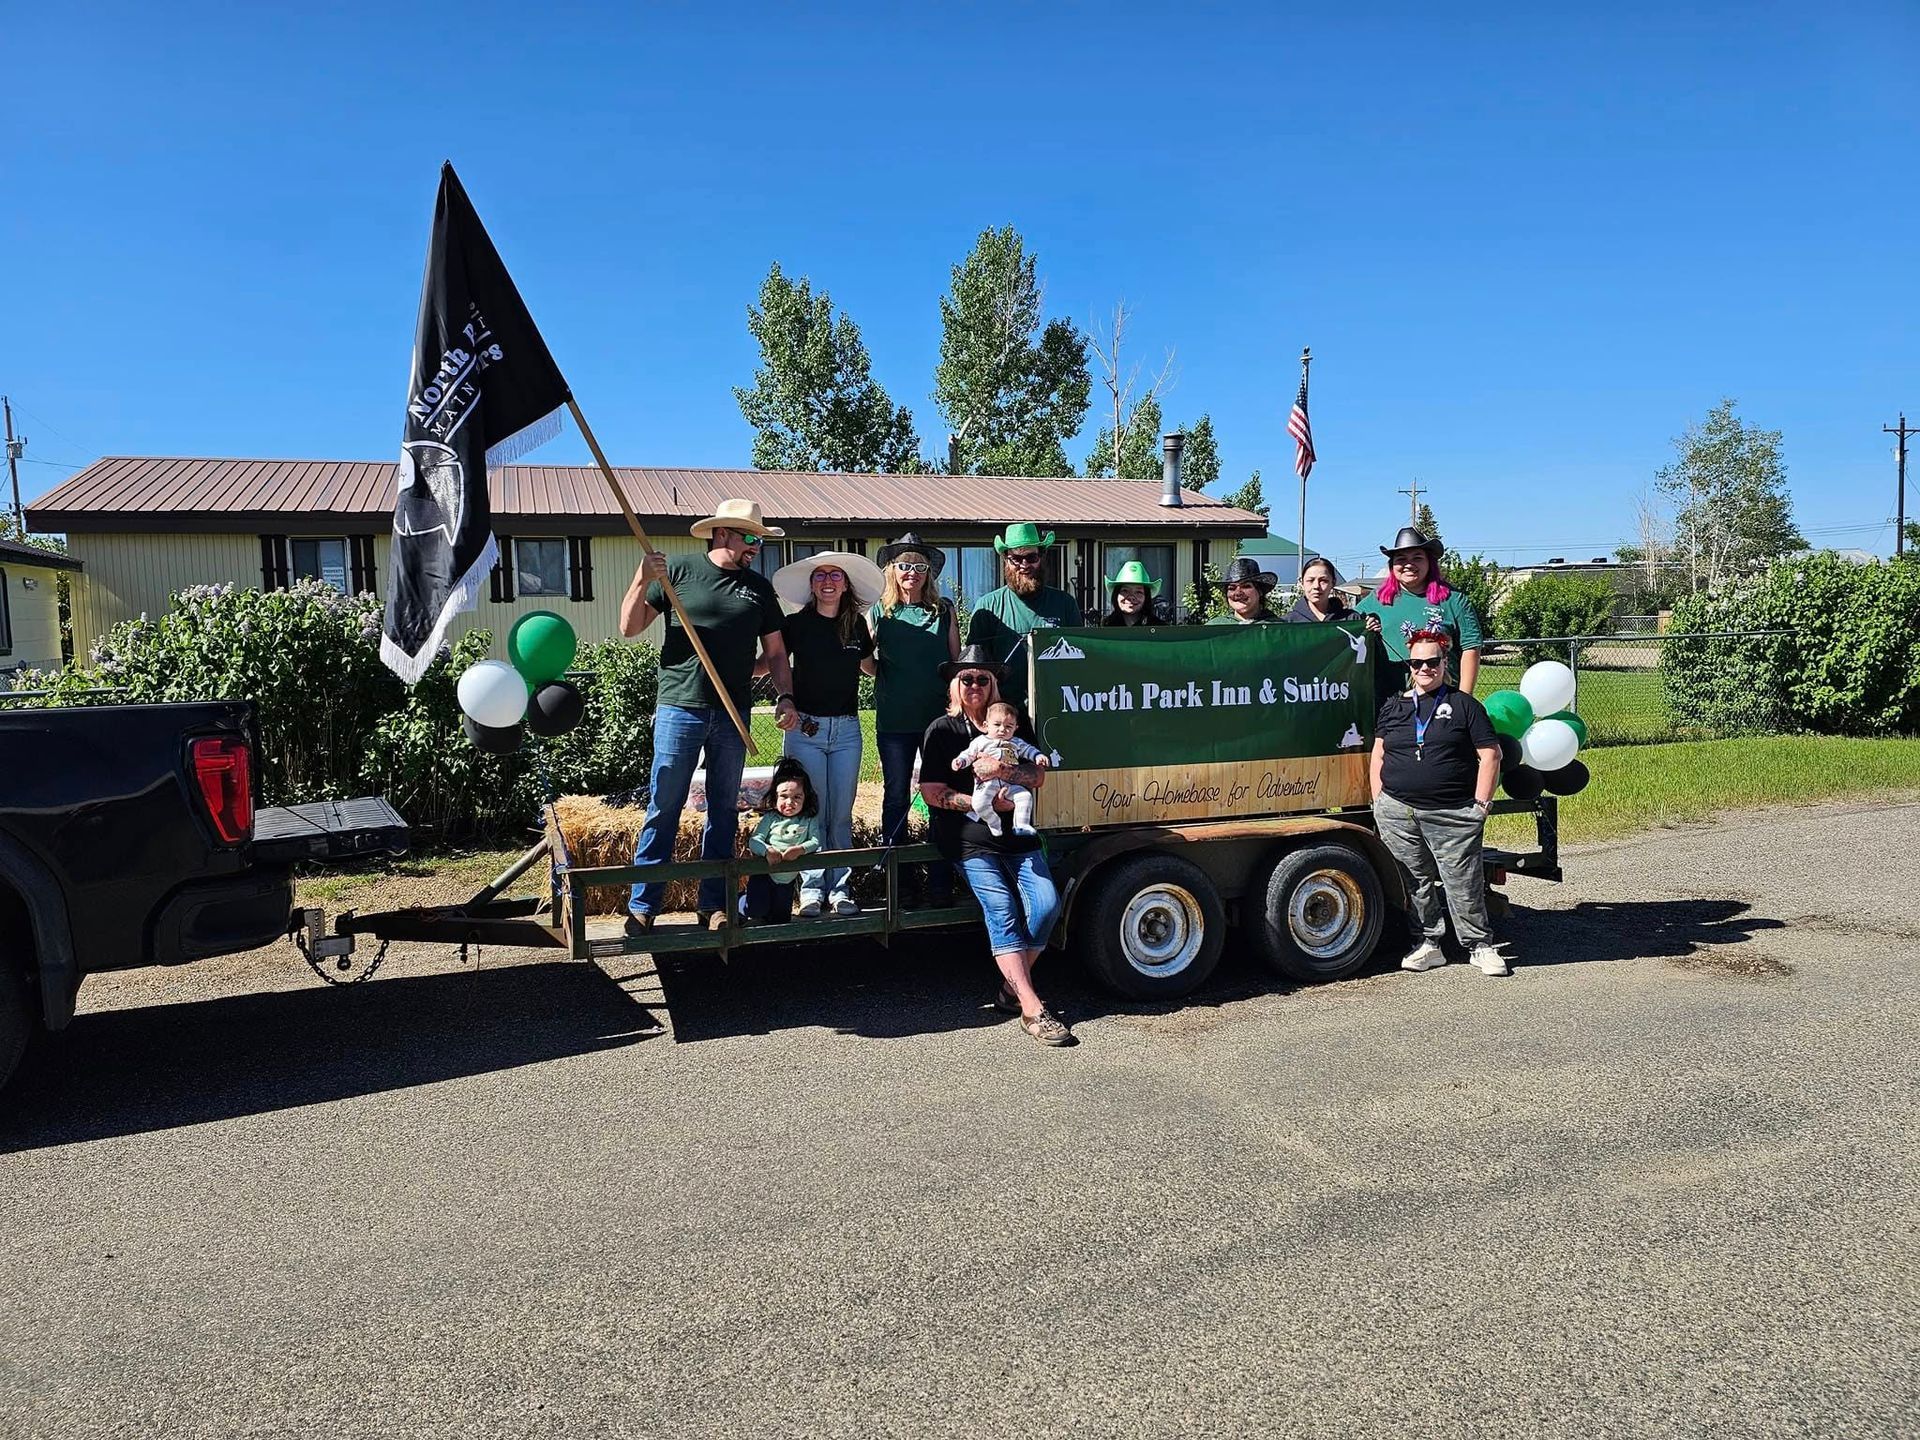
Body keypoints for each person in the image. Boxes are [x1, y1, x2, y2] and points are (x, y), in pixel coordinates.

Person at [620, 498, 797, 936]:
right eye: (750, 537)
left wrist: (785, 697)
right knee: (665, 804)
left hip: (731, 711)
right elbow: (629, 626)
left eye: (760, 538)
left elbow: (775, 653)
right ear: (723, 534)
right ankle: (644, 904)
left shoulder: (758, 589)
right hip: (680, 706)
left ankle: (713, 904)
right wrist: (641, 578)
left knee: (724, 809)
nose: (757, 545)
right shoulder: (677, 572)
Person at [918, 645, 1071, 1047]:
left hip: (1019, 836)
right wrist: (981, 802)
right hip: (968, 839)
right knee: (1001, 908)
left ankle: (1009, 990)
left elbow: (1037, 777)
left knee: (1047, 904)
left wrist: (1003, 772)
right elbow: (932, 792)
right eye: (965, 678)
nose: (974, 685)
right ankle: (1032, 1006)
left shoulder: (1012, 725)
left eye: (982, 679)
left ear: (994, 684)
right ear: (955, 685)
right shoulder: (943, 730)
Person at [1369, 629, 1509, 977]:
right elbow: (1378, 754)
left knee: (1462, 882)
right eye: (1417, 662)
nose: (1424, 668)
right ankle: (1428, 944)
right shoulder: (1394, 706)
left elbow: (1491, 754)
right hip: (1398, 811)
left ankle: (1479, 945)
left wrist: (1481, 804)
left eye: (1432, 661)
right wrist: (1378, 801)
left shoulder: (1464, 705)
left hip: (1453, 813)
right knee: (1414, 882)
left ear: (1445, 662)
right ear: (1410, 666)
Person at [772, 549, 883, 917]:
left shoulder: (857, 627)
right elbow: (771, 663)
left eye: (835, 575)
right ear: (812, 584)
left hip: (847, 730)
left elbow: (870, 668)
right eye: (820, 575)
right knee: (811, 812)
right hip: (806, 728)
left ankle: (841, 889)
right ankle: (811, 890)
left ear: (846, 584)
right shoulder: (796, 625)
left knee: (841, 814)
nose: (828, 581)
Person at [868, 532, 962, 907]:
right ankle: (899, 883)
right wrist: (886, 675)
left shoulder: (944, 610)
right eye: (904, 565)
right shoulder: (880, 611)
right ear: (893, 570)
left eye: (919, 566)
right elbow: (867, 660)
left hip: (936, 720)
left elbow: (956, 663)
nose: (912, 572)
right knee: (895, 798)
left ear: (928, 573)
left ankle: (940, 881)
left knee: (940, 795)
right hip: (894, 719)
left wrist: (956, 705)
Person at [965, 522, 1083, 710]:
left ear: (1042, 557)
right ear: (1005, 559)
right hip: (1003, 714)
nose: (1024, 565)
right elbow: (975, 667)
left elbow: (1080, 660)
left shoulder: (1065, 603)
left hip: (1057, 707)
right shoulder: (988, 606)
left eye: (1031, 557)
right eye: (1016, 559)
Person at [1356, 526, 1484, 692]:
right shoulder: (1375, 601)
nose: (1409, 565)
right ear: (1392, 566)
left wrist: (1464, 699)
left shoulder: (1454, 600)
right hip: (1391, 702)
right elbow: (1344, 629)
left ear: (1429, 563)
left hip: (1443, 699)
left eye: (1417, 558)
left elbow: (1471, 648)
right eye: (1401, 559)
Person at [950, 701, 1053, 836]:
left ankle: (1021, 825)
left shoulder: (1016, 742)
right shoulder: (980, 741)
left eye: (1008, 726)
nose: (1002, 729)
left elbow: (1029, 750)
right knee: (979, 804)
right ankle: (994, 822)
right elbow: (968, 754)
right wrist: (960, 761)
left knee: (1025, 796)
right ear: (986, 725)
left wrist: (1038, 756)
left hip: (1009, 784)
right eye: (997, 725)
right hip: (986, 784)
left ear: (1016, 728)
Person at [739, 759, 822, 926]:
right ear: (775, 796)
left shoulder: (808, 820)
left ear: (806, 798)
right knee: (755, 910)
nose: (790, 802)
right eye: (784, 796)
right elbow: (754, 841)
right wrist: (768, 850)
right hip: (765, 873)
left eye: (797, 797)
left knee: (781, 918)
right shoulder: (770, 818)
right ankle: (741, 901)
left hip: (787, 878)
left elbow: (815, 841)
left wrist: (800, 849)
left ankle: (771, 913)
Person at [1283, 557, 1379, 633]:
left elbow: (1369, 653)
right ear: (1302, 583)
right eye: (1310, 580)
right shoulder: (1286, 624)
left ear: (1333, 583)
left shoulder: (1351, 620)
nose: (1316, 586)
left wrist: (1372, 631)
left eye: (1323, 581)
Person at [1205, 557, 1281, 624]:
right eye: (1232, 588)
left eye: (1245, 586)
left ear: (1260, 591)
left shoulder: (1278, 629)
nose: (1238, 593)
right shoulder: (1215, 627)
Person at [1101, 559, 1174, 626]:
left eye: (1138, 592)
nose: (1131, 597)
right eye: (1125, 591)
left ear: (1146, 597)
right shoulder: (1105, 626)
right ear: (1116, 595)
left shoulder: (1159, 628)